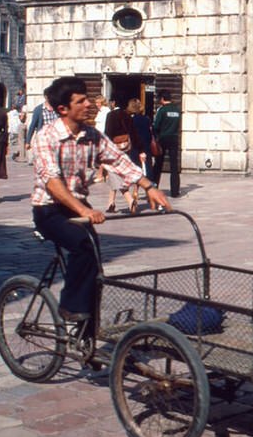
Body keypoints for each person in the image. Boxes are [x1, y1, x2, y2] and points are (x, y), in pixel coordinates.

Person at [30, 76, 170, 323]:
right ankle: (70, 309)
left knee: (95, 265)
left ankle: (89, 335)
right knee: (83, 247)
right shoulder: (46, 137)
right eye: (81, 101)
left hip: (77, 209)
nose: (88, 105)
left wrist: (149, 187)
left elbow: (118, 160)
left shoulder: (92, 135)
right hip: (49, 210)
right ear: (63, 109)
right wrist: (83, 210)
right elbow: (52, 183)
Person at [103, 98, 138, 214]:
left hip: (113, 148)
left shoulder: (111, 115)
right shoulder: (127, 115)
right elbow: (133, 133)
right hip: (126, 147)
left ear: (113, 103)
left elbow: (107, 133)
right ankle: (111, 203)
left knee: (114, 174)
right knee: (114, 174)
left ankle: (129, 199)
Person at [152, 90, 182, 198]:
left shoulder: (162, 110)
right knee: (174, 166)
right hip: (174, 138)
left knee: (158, 165)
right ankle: (175, 191)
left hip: (163, 138)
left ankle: (154, 187)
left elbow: (156, 126)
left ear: (162, 99)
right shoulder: (177, 110)